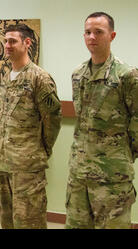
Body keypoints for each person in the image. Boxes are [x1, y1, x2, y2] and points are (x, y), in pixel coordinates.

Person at [66, 12, 138, 229]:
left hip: (112, 177)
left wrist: (123, 156)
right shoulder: (78, 74)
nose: (92, 37)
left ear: (112, 35)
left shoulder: (127, 76)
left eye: (99, 32)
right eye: (87, 32)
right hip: (79, 175)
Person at [0, 24, 62, 229]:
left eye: (13, 41)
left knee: (29, 220)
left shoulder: (39, 78)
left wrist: (41, 149)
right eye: (6, 41)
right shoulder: (7, 76)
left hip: (28, 166)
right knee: (8, 220)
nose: (7, 45)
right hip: (5, 162)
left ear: (27, 43)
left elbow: (53, 119)